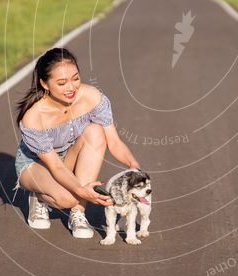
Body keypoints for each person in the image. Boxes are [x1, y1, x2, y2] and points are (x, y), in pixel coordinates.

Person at [13, 47, 142, 237]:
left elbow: (113, 142)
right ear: (45, 84)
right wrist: (82, 191)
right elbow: (56, 166)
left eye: (75, 78)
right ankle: (38, 196)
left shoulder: (92, 97)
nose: (71, 87)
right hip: (36, 164)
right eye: (62, 83)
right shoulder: (33, 117)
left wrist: (133, 166)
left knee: (96, 131)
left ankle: (78, 213)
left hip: (68, 156)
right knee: (67, 199)